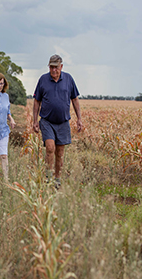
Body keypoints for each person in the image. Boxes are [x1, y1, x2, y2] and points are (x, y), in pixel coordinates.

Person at [33, 54, 83, 188]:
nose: (53, 70)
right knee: (50, 148)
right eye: (51, 67)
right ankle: (48, 178)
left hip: (63, 122)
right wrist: (35, 121)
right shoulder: (43, 80)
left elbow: (75, 100)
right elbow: (37, 101)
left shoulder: (68, 79)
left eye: (56, 67)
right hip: (47, 121)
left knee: (60, 153)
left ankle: (57, 179)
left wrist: (79, 119)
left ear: (61, 66)